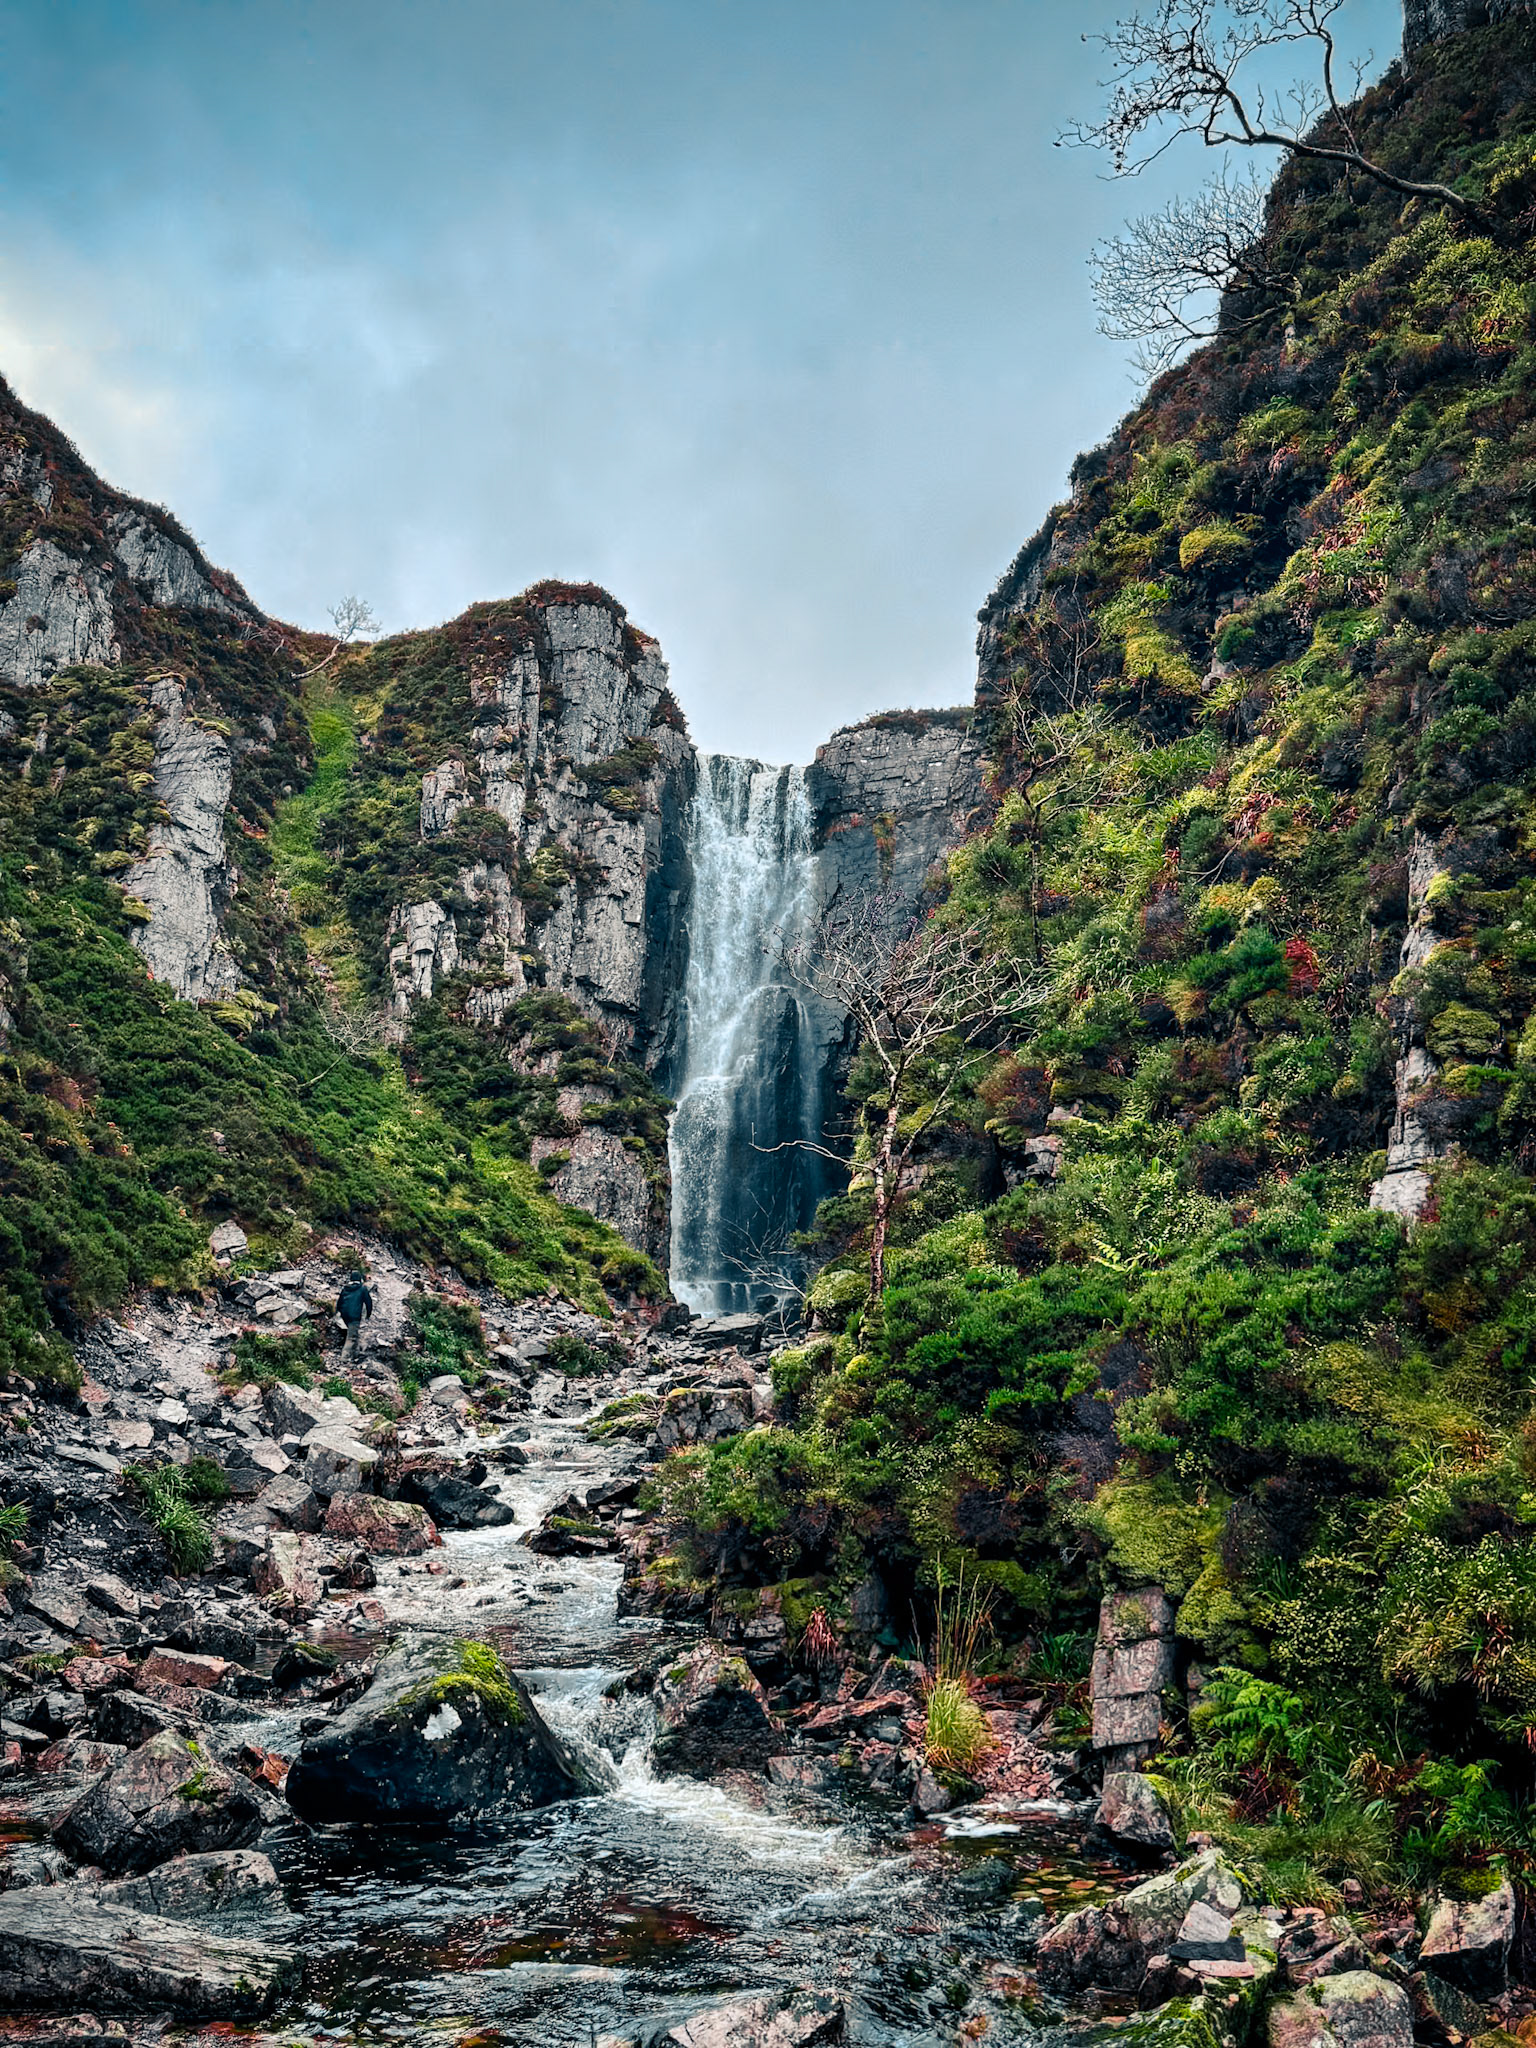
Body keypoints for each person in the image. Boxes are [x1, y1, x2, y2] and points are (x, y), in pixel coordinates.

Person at [336, 1269, 374, 1361]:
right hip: (354, 1315)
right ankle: (344, 1358)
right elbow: (368, 1302)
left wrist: (339, 1312)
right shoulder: (362, 1288)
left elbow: (339, 1302)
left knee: (353, 1333)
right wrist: (368, 1314)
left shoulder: (345, 1288)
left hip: (344, 1314)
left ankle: (355, 1354)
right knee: (351, 1337)